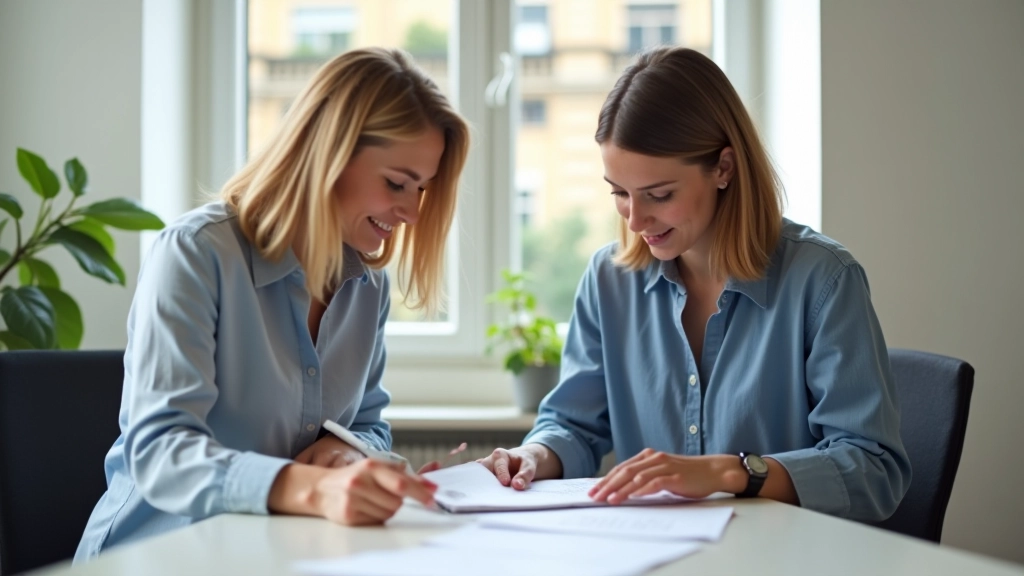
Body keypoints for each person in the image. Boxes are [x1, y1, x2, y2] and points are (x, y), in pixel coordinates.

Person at [479, 46, 911, 522]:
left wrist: (733, 473)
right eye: (619, 193)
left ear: (723, 168)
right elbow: (573, 426)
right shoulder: (609, 280)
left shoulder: (823, 281)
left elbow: (873, 470)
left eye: (659, 195)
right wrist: (534, 457)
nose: (636, 218)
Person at [75, 48, 469, 561]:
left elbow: (369, 422)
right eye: (397, 183)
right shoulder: (197, 253)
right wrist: (308, 486)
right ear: (326, 154)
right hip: (155, 554)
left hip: (277, 553)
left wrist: (346, 452)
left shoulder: (367, 288)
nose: (413, 213)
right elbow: (161, 452)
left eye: (422, 188)